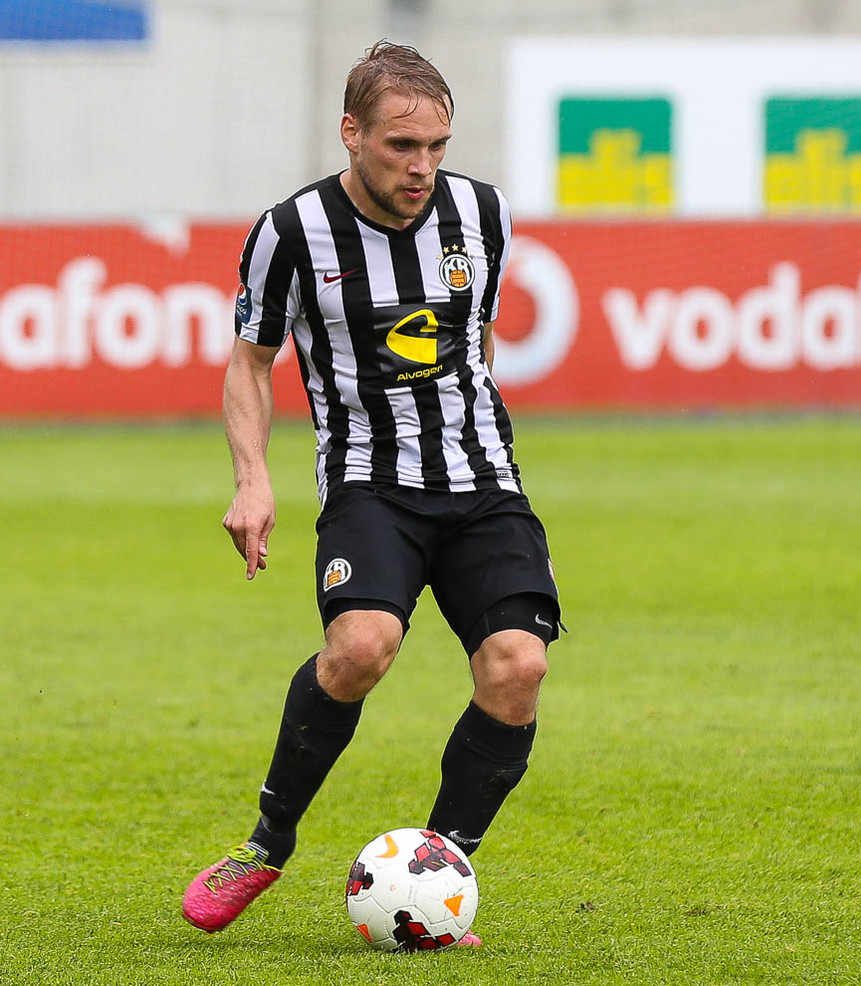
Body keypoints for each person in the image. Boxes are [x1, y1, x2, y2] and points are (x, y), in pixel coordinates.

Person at [182, 40, 561, 948]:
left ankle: (439, 873)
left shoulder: (483, 213)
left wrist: (486, 436)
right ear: (351, 133)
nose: (422, 166)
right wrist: (252, 480)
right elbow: (251, 360)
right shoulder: (292, 232)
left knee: (519, 667)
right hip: (368, 481)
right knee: (359, 648)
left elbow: (478, 339)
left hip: (481, 481)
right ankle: (265, 845)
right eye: (401, 145)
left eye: (436, 145)